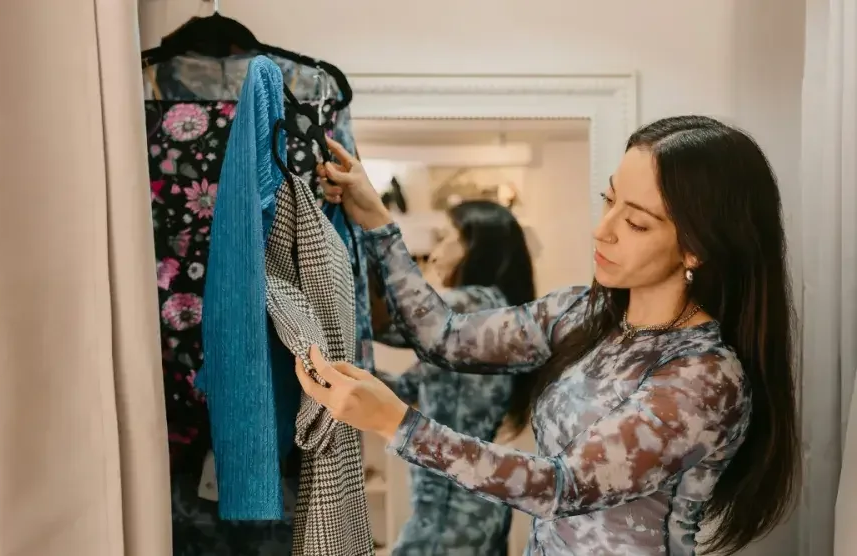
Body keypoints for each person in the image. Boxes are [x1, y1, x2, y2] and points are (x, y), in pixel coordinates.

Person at [305, 115, 799, 555]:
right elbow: (445, 335)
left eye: (634, 222)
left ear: (696, 249)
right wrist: (375, 218)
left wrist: (398, 423)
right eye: (608, 200)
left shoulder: (705, 378)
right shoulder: (583, 313)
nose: (602, 230)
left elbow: (561, 487)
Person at [374, 199, 536, 556]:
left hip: (452, 504)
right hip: (473, 500)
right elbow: (406, 388)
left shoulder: (474, 304)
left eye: (446, 237)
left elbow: (390, 323)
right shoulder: (479, 321)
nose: (435, 250)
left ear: (474, 248)